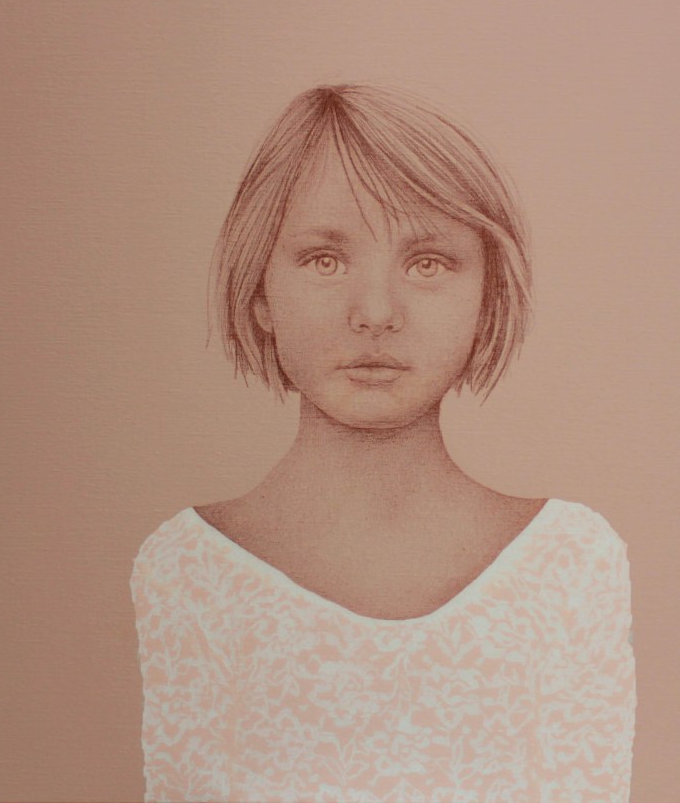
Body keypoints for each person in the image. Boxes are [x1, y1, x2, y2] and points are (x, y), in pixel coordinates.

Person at [130, 84, 636, 802]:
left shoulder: (571, 564)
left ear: (487, 297)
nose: (374, 313)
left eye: (427, 263)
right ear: (260, 293)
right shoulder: (187, 572)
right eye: (324, 261)